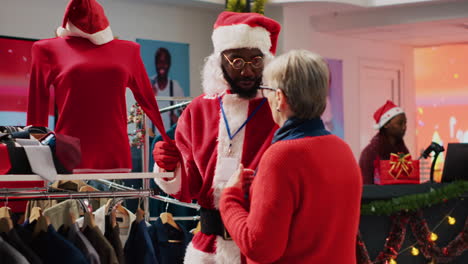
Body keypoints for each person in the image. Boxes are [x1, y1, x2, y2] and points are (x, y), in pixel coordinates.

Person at [152, 11, 281, 263]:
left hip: (258, 246)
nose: (247, 71)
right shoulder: (198, 110)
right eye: (236, 61)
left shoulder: (277, 108)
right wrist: (168, 166)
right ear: (219, 61)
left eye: (256, 60)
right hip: (206, 247)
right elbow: (185, 186)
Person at [218, 50, 363, 263]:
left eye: (266, 90)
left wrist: (229, 199)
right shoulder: (343, 150)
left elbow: (260, 248)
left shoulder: (280, 157)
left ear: (279, 98)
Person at [359, 100, 408, 184]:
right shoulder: (370, 152)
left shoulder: (403, 151)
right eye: (400, 124)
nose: (404, 127)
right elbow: (366, 188)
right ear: (386, 124)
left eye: (405, 123)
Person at [150, 47, 185, 133]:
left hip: (169, 139)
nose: (162, 65)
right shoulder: (148, 84)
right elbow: (139, 112)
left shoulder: (175, 87)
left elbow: (184, 114)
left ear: (169, 64)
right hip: (150, 139)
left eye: (165, 62)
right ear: (155, 63)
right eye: (159, 62)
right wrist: (149, 96)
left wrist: (178, 121)